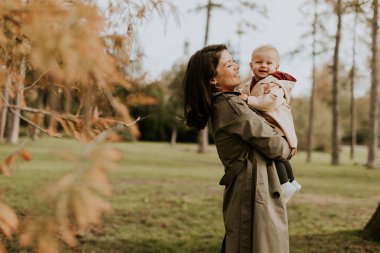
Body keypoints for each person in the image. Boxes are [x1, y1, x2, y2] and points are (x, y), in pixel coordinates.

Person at [183, 44, 295, 253]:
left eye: (233, 61)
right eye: (228, 64)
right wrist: (290, 147)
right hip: (252, 190)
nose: (235, 66)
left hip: (250, 187)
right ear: (212, 79)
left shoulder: (229, 102)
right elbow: (276, 146)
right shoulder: (232, 106)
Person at [238, 45, 301, 202]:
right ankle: (292, 182)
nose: (264, 66)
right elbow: (242, 95)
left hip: (277, 125)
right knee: (276, 155)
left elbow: (269, 102)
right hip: (265, 125)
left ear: (276, 67)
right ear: (251, 65)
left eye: (268, 63)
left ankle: (286, 184)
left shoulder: (276, 84)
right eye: (259, 62)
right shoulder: (248, 84)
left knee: (274, 153)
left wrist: (249, 100)